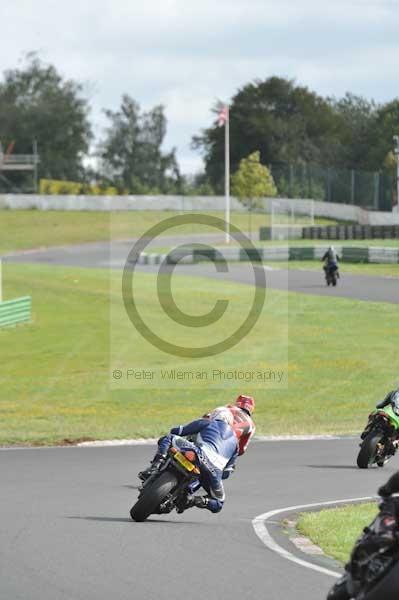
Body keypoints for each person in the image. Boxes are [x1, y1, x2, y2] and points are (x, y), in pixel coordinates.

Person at [138, 396, 255, 513]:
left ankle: (155, 467)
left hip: (199, 450)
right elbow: (229, 469)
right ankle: (192, 500)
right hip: (215, 469)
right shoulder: (240, 438)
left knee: (168, 438)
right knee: (219, 502)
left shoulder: (220, 413)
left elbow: (176, 431)